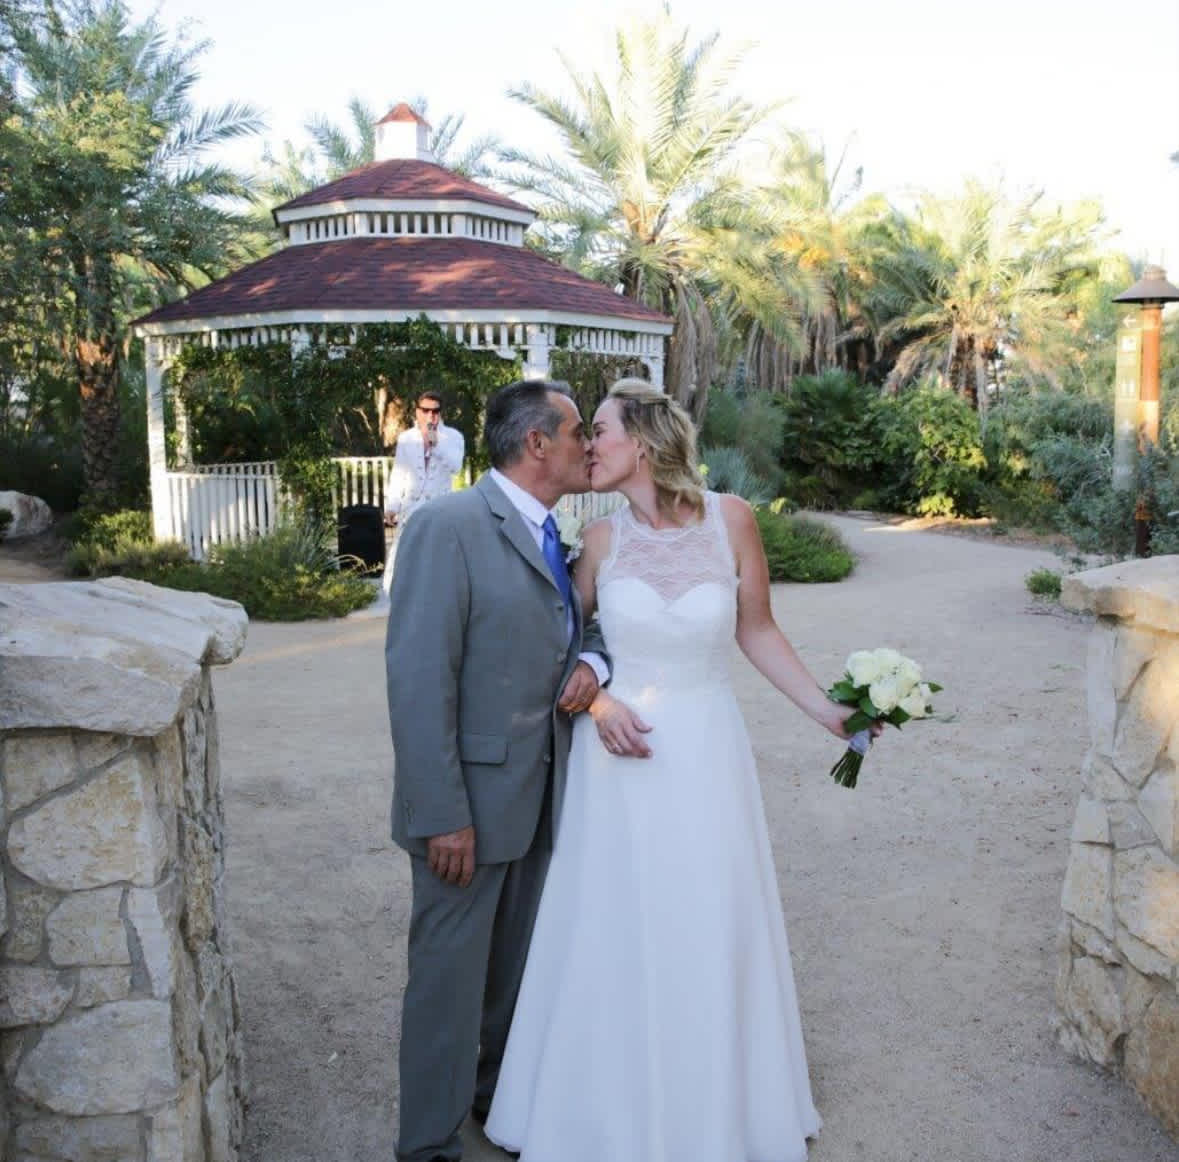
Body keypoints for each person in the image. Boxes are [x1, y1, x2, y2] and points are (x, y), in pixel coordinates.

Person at [484, 378, 874, 1162]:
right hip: (617, 761)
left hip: (706, 755)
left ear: (643, 442)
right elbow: (559, 648)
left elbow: (757, 631)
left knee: (705, 913)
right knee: (611, 922)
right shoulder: (599, 540)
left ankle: (717, 1105)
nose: (586, 445)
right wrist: (597, 702)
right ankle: (599, 1110)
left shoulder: (732, 520)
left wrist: (830, 712)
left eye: (598, 430)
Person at [385, 380, 627, 1162]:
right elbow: (419, 679)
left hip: (543, 795)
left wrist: (592, 661)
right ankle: (427, 1146)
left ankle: (496, 1103)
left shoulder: (554, 533)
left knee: (512, 976)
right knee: (447, 984)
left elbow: (586, 625)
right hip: (467, 809)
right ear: (536, 443)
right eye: (577, 431)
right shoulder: (447, 526)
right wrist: (441, 814)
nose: (588, 446)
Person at [381, 391, 466, 594]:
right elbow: (399, 473)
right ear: (417, 412)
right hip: (411, 508)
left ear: (440, 413)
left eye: (435, 411)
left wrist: (435, 443)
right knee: (404, 560)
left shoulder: (453, 437)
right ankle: (401, 598)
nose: (430, 415)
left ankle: (436, 600)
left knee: (437, 561)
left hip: (439, 508)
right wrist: (392, 505)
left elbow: (456, 467)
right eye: (426, 410)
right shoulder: (406, 438)